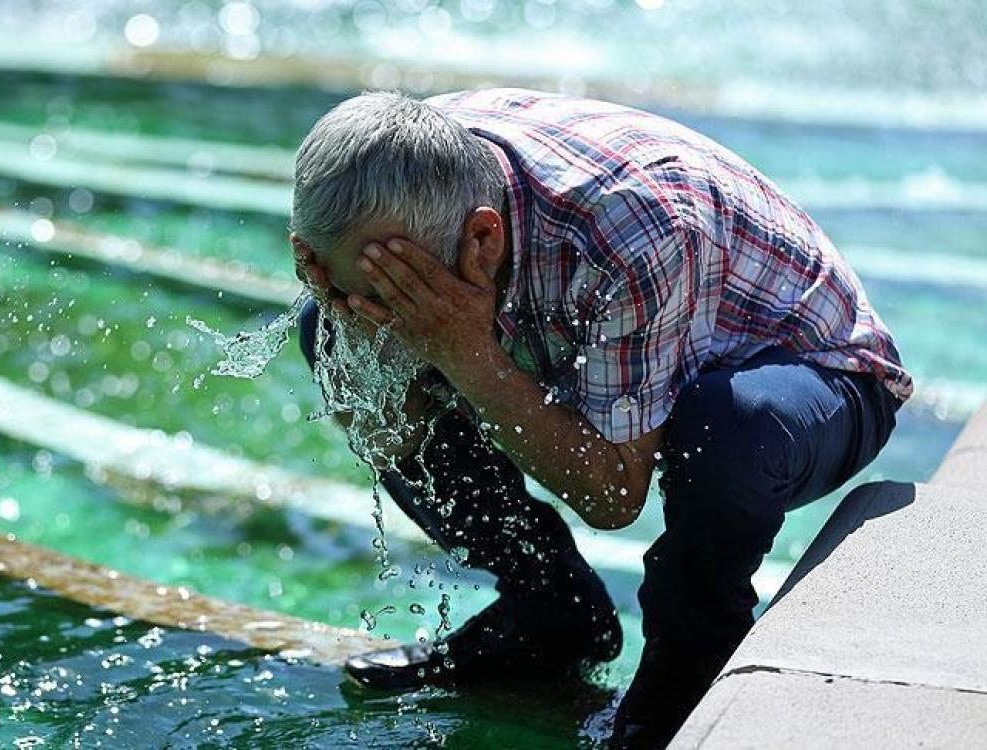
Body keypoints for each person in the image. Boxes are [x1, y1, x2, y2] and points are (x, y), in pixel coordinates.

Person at [288, 89, 910, 748]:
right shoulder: (371, 175)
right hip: (597, 331)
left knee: (724, 425)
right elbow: (391, 422)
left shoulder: (633, 224)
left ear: (480, 237)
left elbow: (612, 495)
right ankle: (551, 613)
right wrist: (354, 328)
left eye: (396, 293)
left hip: (817, 381)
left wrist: (465, 354)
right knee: (329, 337)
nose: (370, 307)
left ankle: (682, 681)